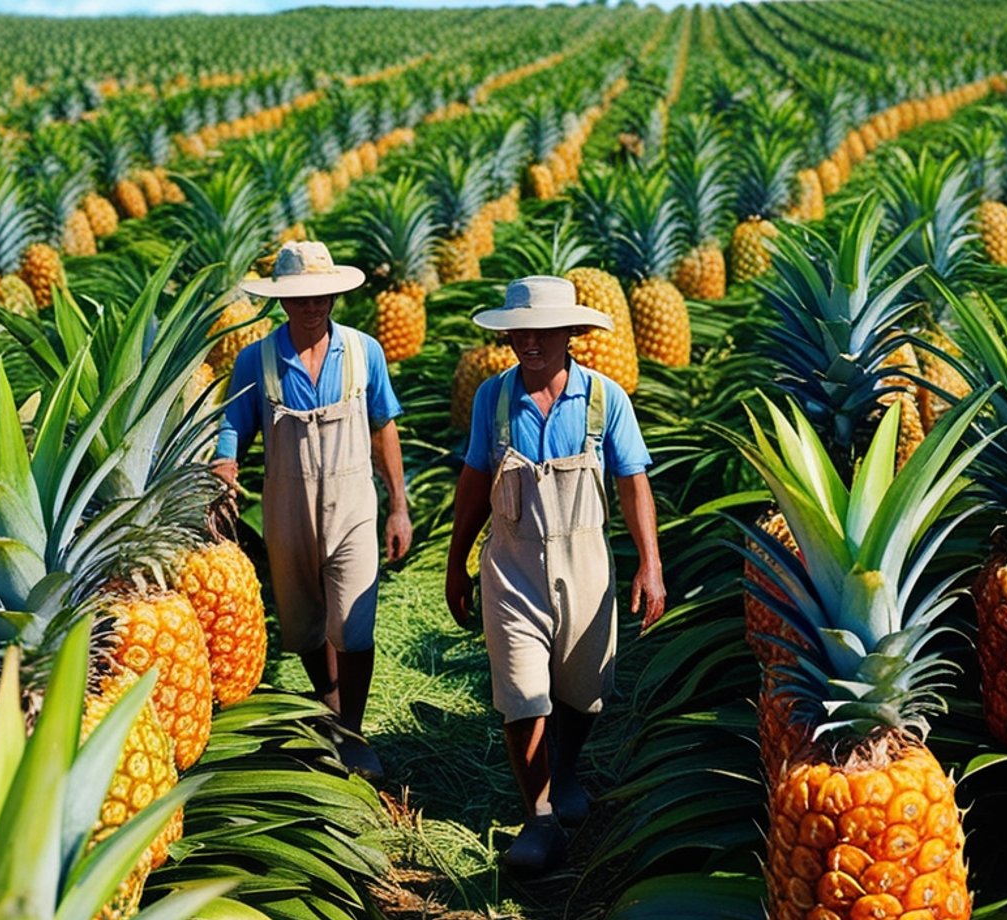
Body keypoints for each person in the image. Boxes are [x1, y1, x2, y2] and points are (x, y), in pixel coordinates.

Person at [445, 275, 667, 874]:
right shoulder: (493, 400)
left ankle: (564, 766)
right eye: (521, 331)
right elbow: (472, 486)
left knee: (584, 690)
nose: (530, 342)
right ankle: (538, 817)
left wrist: (650, 561)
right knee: (523, 693)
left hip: (586, 559)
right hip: (512, 564)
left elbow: (632, 482)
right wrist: (456, 560)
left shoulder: (604, 400)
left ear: (570, 333)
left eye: (544, 332)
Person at [212, 241, 410, 779]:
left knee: (355, 625)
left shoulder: (364, 350)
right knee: (302, 621)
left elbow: (382, 426)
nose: (313, 306)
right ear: (282, 302)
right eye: (300, 298)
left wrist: (399, 506)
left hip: (352, 503)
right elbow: (235, 425)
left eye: (321, 296)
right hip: (287, 506)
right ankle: (327, 703)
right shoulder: (258, 360)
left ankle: (354, 731)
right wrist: (225, 467)